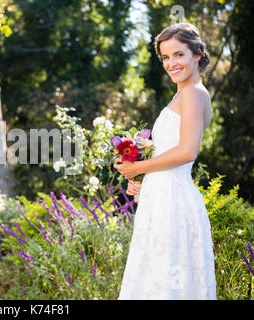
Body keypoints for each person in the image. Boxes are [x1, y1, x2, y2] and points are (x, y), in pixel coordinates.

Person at [114, 23, 217, 300]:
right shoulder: (184, 94)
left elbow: (186, 152)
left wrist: (137, 167)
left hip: (174, 201)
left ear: (197, 54)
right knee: (153, 282)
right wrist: (142, 180)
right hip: (160, 200)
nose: (172, 63)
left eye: (179, 55)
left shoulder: (194, 93)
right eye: (166, 57)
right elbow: (167, 155)